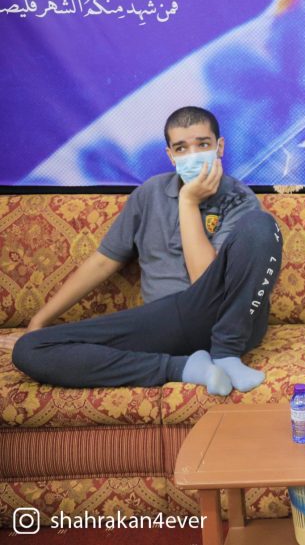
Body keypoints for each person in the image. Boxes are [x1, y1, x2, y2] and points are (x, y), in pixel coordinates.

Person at [1, 107, 282, 396]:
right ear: (171, 155)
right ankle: (182, 368)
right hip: (163, 323)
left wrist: (188, 202)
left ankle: (225, 355)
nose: (193, 155)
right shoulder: (149, 193)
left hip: (223, 318)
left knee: (262, 225)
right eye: (181, 148)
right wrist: (38, 322)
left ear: (219, 147)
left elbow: (204, 281)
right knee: (30, 349)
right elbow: (102, 263)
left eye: (203, 144)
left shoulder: (238, 199)